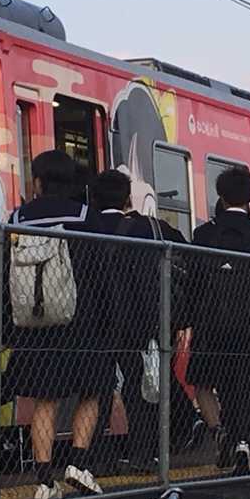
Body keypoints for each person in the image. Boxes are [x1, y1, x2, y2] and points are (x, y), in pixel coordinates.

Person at [2, 149, 101, 499]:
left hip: (35, 323)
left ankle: (44, 481)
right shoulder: (85, 217)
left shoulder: (18, 218)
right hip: (82, 321)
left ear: (38, 182)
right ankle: (78, 463)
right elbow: (101, 272)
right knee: (91, 392)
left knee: (45, 401)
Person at [187, 166, 250, 477]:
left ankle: (220, 432)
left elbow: (192, 283)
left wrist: (188, 318)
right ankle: (244, 444)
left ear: (221, 195)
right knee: (249, 388)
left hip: (210, 327)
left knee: (208, 382)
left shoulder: (203, 234)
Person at [89, 169, 187, 471]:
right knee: (137, 387)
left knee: (97, 389)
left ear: (93, 198)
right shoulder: (147, 228)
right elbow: (182, 248)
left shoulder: (86, 225)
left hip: (95, 321)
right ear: (127, 199)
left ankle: (93, 456)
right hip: (137, 321)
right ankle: (142, 454)